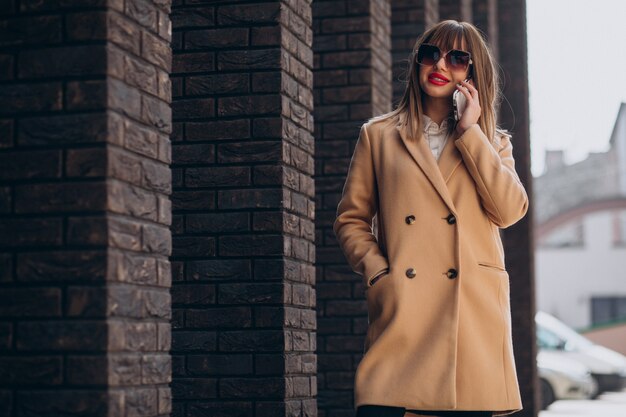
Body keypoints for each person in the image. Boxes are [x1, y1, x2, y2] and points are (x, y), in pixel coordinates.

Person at [333, 20, 529, 417]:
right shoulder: (379, 136)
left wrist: (470, 132)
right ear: (418, 62)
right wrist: (379, 273)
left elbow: (509, 211)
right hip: (404, 315)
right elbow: (351, 220)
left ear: (472, 74)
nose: (440, 63)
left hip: (470, 327)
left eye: (458, 58)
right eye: (430, 53)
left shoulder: (493, 142)